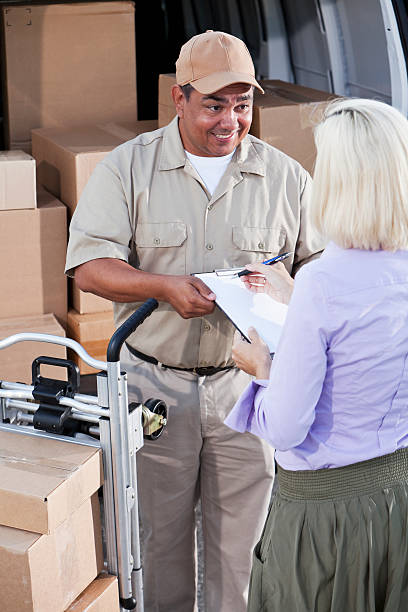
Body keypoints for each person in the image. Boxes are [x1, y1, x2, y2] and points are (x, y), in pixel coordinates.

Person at [65, 30, 323, 612]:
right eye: (213, 105)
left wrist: (289, 287)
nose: (230, 120)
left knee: (243, 548)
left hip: (247, 390)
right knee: (160, 543)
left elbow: (324, 275)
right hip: (154, 390)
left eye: (242, 105)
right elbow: (88, 267)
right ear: (177, 99)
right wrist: (161, 287)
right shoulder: (128, 168)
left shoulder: (287, 178)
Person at [226, 97, 408, 612]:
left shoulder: (322, 281)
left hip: (325, 515)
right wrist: (296, 297)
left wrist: (262, 369)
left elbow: (286, 428)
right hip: (398, 499)